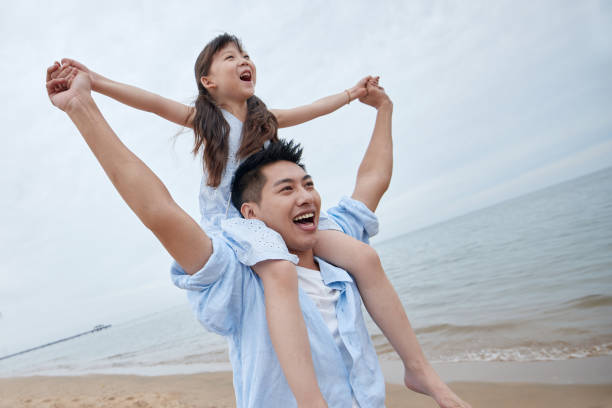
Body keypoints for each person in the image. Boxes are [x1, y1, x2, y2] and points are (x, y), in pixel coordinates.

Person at [48, 33, 441, 406]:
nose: (244, 61)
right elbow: (152, 103)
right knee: (280, 272)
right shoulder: (209, 119)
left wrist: (354, 95)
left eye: (246, 55)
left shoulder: (265, 120)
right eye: (230, 58)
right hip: (237, 224)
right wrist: (95, 82)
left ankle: (418, 369)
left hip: (276, 221)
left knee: (363, 257)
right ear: (208, 81)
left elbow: (312, 111)